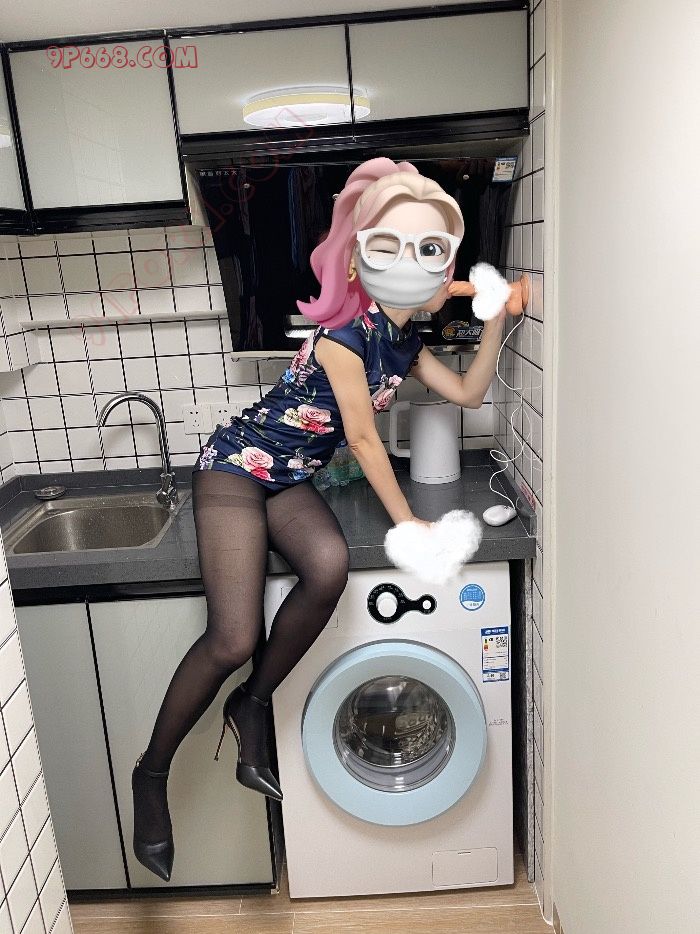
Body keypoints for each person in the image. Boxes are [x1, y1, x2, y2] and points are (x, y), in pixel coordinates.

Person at [130, 157, 508, 882]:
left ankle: (252, 705)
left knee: (328, 568)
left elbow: (467, 393)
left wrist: (496, 318)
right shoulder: (344, 335)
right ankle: (152, 774)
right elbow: (362, 439)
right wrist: (410, 525)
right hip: (235, 466)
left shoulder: (404, 342)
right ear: (362, 265)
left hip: (290, 476)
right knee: (233, 636)